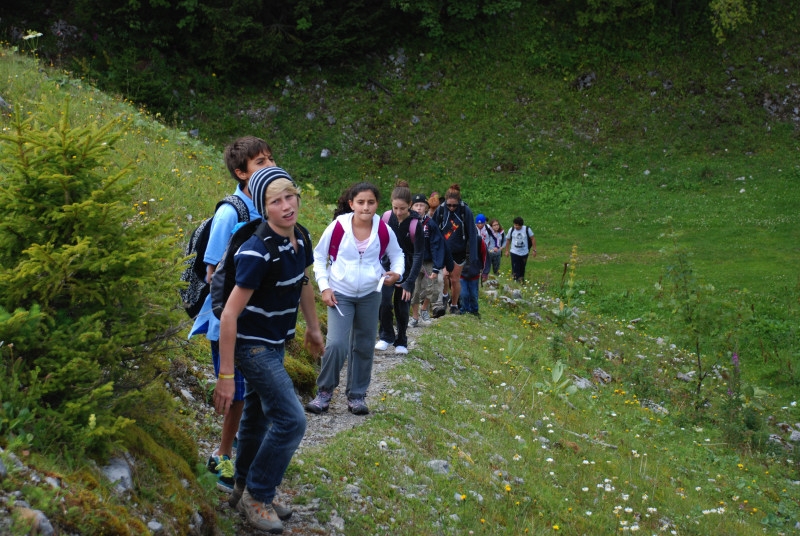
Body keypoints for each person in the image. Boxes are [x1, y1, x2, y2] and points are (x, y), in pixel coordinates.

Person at [213, 167, 325, 533]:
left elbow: (302, 282)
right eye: (275, 201)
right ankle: (258, 494)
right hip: (252, 346)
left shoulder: (301, 238)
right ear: (263, 208)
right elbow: (229, 315)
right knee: (292, 420)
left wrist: (312, 326)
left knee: (259, 417)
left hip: (277, 342)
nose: (286, 206)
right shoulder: (256, 251)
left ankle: (244, 485)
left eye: (289, 196)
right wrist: (226, 376)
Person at [187, 135, 276, 492]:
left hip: (258, 318)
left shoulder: (270, 205)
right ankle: (221, 454)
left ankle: (239, 443)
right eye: (259, 163)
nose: (268, 165)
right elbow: (213, 272)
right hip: (228, 318)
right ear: (241, 172)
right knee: (236, 391)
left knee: (251, 390)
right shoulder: (231, 213)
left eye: (270, 158)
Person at [306, 182, 404, 416]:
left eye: (371, 202)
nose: (366, 207)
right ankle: (324, 392)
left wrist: (397, 273)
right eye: (360, 202)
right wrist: (325, 287)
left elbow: (397, 253)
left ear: (377, 204)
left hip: (371, 294)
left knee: (363, 345)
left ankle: (357, 395)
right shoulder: (338, 227)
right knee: (337, 344)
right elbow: (319, 257)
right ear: (351, 204)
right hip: (340, 294)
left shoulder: (382, 229)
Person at [376, 182, 424, 353]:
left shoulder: (415, 225)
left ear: (410, 205)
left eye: (402, 208)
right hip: (388, 265)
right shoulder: (386, 218)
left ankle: (401, 340)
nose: (398, 212)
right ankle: (386, 335)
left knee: (402, 307)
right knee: (383, 302)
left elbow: (419, 254)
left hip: (408, 268)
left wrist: (410, 282)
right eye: (395, 207)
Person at [432, 184, 478, 315]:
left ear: (459, 202)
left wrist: (473, 256)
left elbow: (472, 234)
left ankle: (454, 305)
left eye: (454, 206)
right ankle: (444, 296)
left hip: (459, 250)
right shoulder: (441, 210)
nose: (452, 208)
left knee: (454, 279)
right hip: (444, 250)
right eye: (449, 205)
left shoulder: (465, 211)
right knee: (444, 276)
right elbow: (433, 229)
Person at [409, 193, 449, 325]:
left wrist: (437, 266)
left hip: (428, 261)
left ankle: (424, 308)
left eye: (422, 205)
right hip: (414, 261)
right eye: (416, 205)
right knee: (414, 290)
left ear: (426, 208)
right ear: (411, 207)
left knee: (432, 288)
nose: (419, 208)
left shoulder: (430, 224)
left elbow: (437, 245)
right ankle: (414, 317)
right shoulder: (408, 222)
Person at [460, 224, 489, 315]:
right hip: (461, 273)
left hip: (474, 273)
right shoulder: (459, 241)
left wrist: (485, 272)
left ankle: (474, 310)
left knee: (473, 294)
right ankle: (464, 309)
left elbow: (485, 257)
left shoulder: (479, 241)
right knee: (464, 294)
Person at [504, 216, 537, 283]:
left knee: (522, 267)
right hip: (514, 252)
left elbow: (532, 238)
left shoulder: (527, 229)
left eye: (517, 225)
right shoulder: (512, 229)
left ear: (521, 225)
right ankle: (515, 281)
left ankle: (521, 280)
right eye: (515, 225)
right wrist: (507, 250)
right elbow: (508, 240)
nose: (516, 226)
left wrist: (534, 250)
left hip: (524, 252)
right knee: (515, 268)